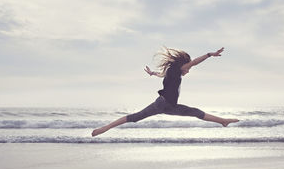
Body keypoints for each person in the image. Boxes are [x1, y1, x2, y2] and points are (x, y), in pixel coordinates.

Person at [92, 47, 239, 137]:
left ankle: (223, 121)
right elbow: (193, 62)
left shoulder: (172, 72)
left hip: (170, 106)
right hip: (162, 104)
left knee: (195, 112)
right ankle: (104, 128)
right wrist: (209, 54)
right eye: (188, 68)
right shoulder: (177, 69)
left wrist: (153, 74)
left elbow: (163, 75)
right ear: (183, 65)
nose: (188, 70)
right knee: (135, 117)